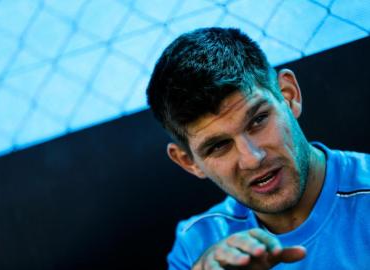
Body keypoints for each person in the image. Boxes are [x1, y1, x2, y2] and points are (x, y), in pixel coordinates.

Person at [146, 27, 370, 269]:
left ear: (288, 95)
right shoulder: (196, 244)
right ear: (188, 162)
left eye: (258, 120)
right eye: (219, 146)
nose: (253, 158)